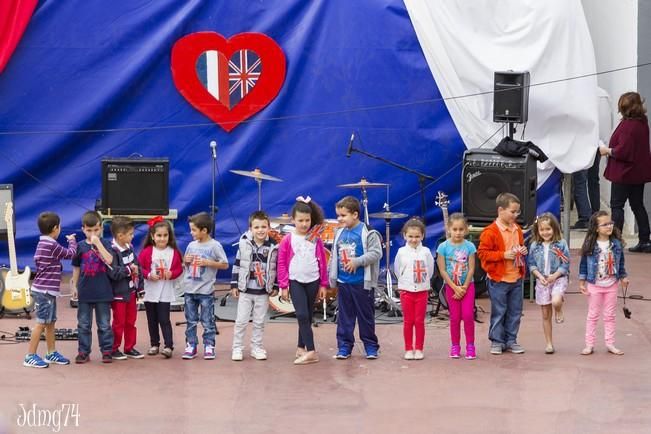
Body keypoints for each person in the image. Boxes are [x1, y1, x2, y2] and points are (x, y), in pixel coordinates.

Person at [71, 211, 129, 363]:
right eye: (89, 230)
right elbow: (76, 267)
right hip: (85, 291)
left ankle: (107, 351)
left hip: (103, 291)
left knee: (104, 324)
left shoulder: (107, 244)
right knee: (83, 324)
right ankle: (83, 352)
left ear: (101, 228)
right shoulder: (80, 246)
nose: (92, 233)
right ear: (83, 229)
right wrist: (74, 286)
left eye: (96, 230)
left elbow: (110, 261)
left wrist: (97, 243)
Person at [329, 196, 383, 360]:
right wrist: (330, 278)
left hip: (362, 283)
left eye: (343, 215)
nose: (339, 218)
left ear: (355, 214)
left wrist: (357, 262)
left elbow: (376, 253)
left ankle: (370, 346)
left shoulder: (368, 232)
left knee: (365, 317)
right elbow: (334, 256)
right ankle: (344, 346)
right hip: (344, 282)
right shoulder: (339, 233)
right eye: (338, 215)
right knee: (344, 317)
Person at [277, 197, 328, 365]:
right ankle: (312, 351)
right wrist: (283, 285)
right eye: (300, 220)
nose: (304, 224)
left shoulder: (315, 237)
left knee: (307, 314)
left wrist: (323, 284)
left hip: (313, 280)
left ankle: (301, 348)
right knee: (301, 314)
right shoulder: (288, 239)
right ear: (293, 220)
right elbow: (282, 263)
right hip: (295, 281)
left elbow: (321, 259)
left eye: (307, 220)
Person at [23, 212, 77, 368]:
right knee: (41, 323)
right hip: (44, 292)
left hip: (47, 291)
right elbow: (70, 254)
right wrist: (72, 241)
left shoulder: (43, 243)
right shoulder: (52, 245)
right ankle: (30, 356)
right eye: (59, 226)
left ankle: (51, 353)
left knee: (50, 323)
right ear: (55, 228)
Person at [600, 91, 651, 253]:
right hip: (638, 173)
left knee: (617, 206)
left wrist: (607, 150)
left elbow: (623, 151)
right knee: (637, 205)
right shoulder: (642, 122)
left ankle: (615, 240)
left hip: (624, 173)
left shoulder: (629, 126)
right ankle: (645, 240)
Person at [477, 193, 527, 355]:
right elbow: (482, 254)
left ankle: (511, 340)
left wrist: (522, 251)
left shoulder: (517, 229)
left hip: (516, 277)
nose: (515, 215)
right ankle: (497, 341)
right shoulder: (490, 232)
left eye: (517, 212)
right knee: (499, 311)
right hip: (499, 279)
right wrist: (503, 255)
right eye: (513, 212)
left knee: (515, 311)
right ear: (500, 210)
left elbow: (518, 247)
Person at [230, 211, 279, 362]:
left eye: (264, 226)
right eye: (256, 227)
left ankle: (256, 347)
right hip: (246, 290)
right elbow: (237, 264)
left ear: (269, 227)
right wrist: (234, 284)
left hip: (263, 292)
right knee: (241, 321)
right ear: (250, 228)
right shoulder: (244, 244)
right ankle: (237, 348)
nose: (260, 230)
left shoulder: (273, 246)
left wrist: (275, 285)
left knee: (259, 321)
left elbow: (275, 267)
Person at [579, 211, 628, 356]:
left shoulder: (617, 244)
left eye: (610, 223)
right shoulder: (590, 244)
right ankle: (589, 344)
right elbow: (583, 264)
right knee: (593, 315)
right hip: (594, 285)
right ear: (596, 228)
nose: (609, 226)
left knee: (610, 315)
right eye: (605, 224)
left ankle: (610, 343)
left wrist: (623, 277)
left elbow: (621, 263)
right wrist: (582, 282)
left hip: (612, 284)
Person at [181, 212, 228, 360]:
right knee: (191, 320)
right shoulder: (191, 245)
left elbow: (225, 264)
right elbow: (185, 264)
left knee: (207, 320)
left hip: (206, 291)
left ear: (204, 230)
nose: (191, 233)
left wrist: (209, 263)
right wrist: (185, 260)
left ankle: (209, 345)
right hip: (189, 289)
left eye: (194, 230)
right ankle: (191, 345)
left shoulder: (215, 246)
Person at [138, 216, 183, 358]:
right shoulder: (146, 252)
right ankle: (154, 344)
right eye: (159, 235)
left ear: (169, 236)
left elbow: (178, 269)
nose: (162, 238)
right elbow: (140, 269)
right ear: (152, 236)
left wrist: (172, 273)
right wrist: (149, 275)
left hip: (165, 291)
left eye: (165, 235)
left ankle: (168, 345)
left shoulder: (173, 252)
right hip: (151, 291)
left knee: (164, 319)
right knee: (151, 319)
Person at [436, 213, 477, 360]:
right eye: (455, 229)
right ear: (448, 229)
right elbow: (442, 270)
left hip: (467, 287)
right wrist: (454, 287)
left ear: (466, 230)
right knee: (455, 317)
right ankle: (455, 345)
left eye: (461, 229)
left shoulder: (470, 246)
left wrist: (464, 287)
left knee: (467, 315)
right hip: (451, 287)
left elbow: (471, 268)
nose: (458, 232)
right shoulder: (443, 247)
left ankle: (470, 345)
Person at [528, 213, 570, 354]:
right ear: (538, 230)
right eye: (542, 230)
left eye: (548, 229)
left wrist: (555, 275)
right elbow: (532, 264)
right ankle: (549, 343)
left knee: (556, 300)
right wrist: (540, 277)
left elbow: (565, 264)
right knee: (545, 315)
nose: (545, 232)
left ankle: (559, 309)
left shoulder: (561, 244)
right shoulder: (535, 245)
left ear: (554, 229)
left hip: (558, 278)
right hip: (543, 280)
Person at [394, 217, 434, 361]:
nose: (414, 239)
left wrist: (423, 283)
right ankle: (408, 348)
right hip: (406, 291)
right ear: (404, 235)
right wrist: (405, 283)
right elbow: (397, 270)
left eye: (417, 236)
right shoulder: (401, 252)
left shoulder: (426, 252)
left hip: (422, 291)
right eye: (410, 236)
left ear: (422, 236)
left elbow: (430, 269)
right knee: (408, 321)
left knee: (419, 321)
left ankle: (419, 348)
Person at [109, 216, 145, 360]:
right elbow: (114, 273)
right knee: (119, 323)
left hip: (131, 293)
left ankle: (129, 347)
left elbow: (138, 267)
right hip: (118, 295)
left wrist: (139, 287)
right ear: (120, 235)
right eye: (130, 234)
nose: (133, 236)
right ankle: (114, 348)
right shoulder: (112, 251)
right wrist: (129, 270)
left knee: (131, 321)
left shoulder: (129, 248)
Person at [571, 150, 601, 230]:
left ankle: (585, 218)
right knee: (593, 181)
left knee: (579, 182)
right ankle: (595, 215)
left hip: (581, 148)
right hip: (595, 147)